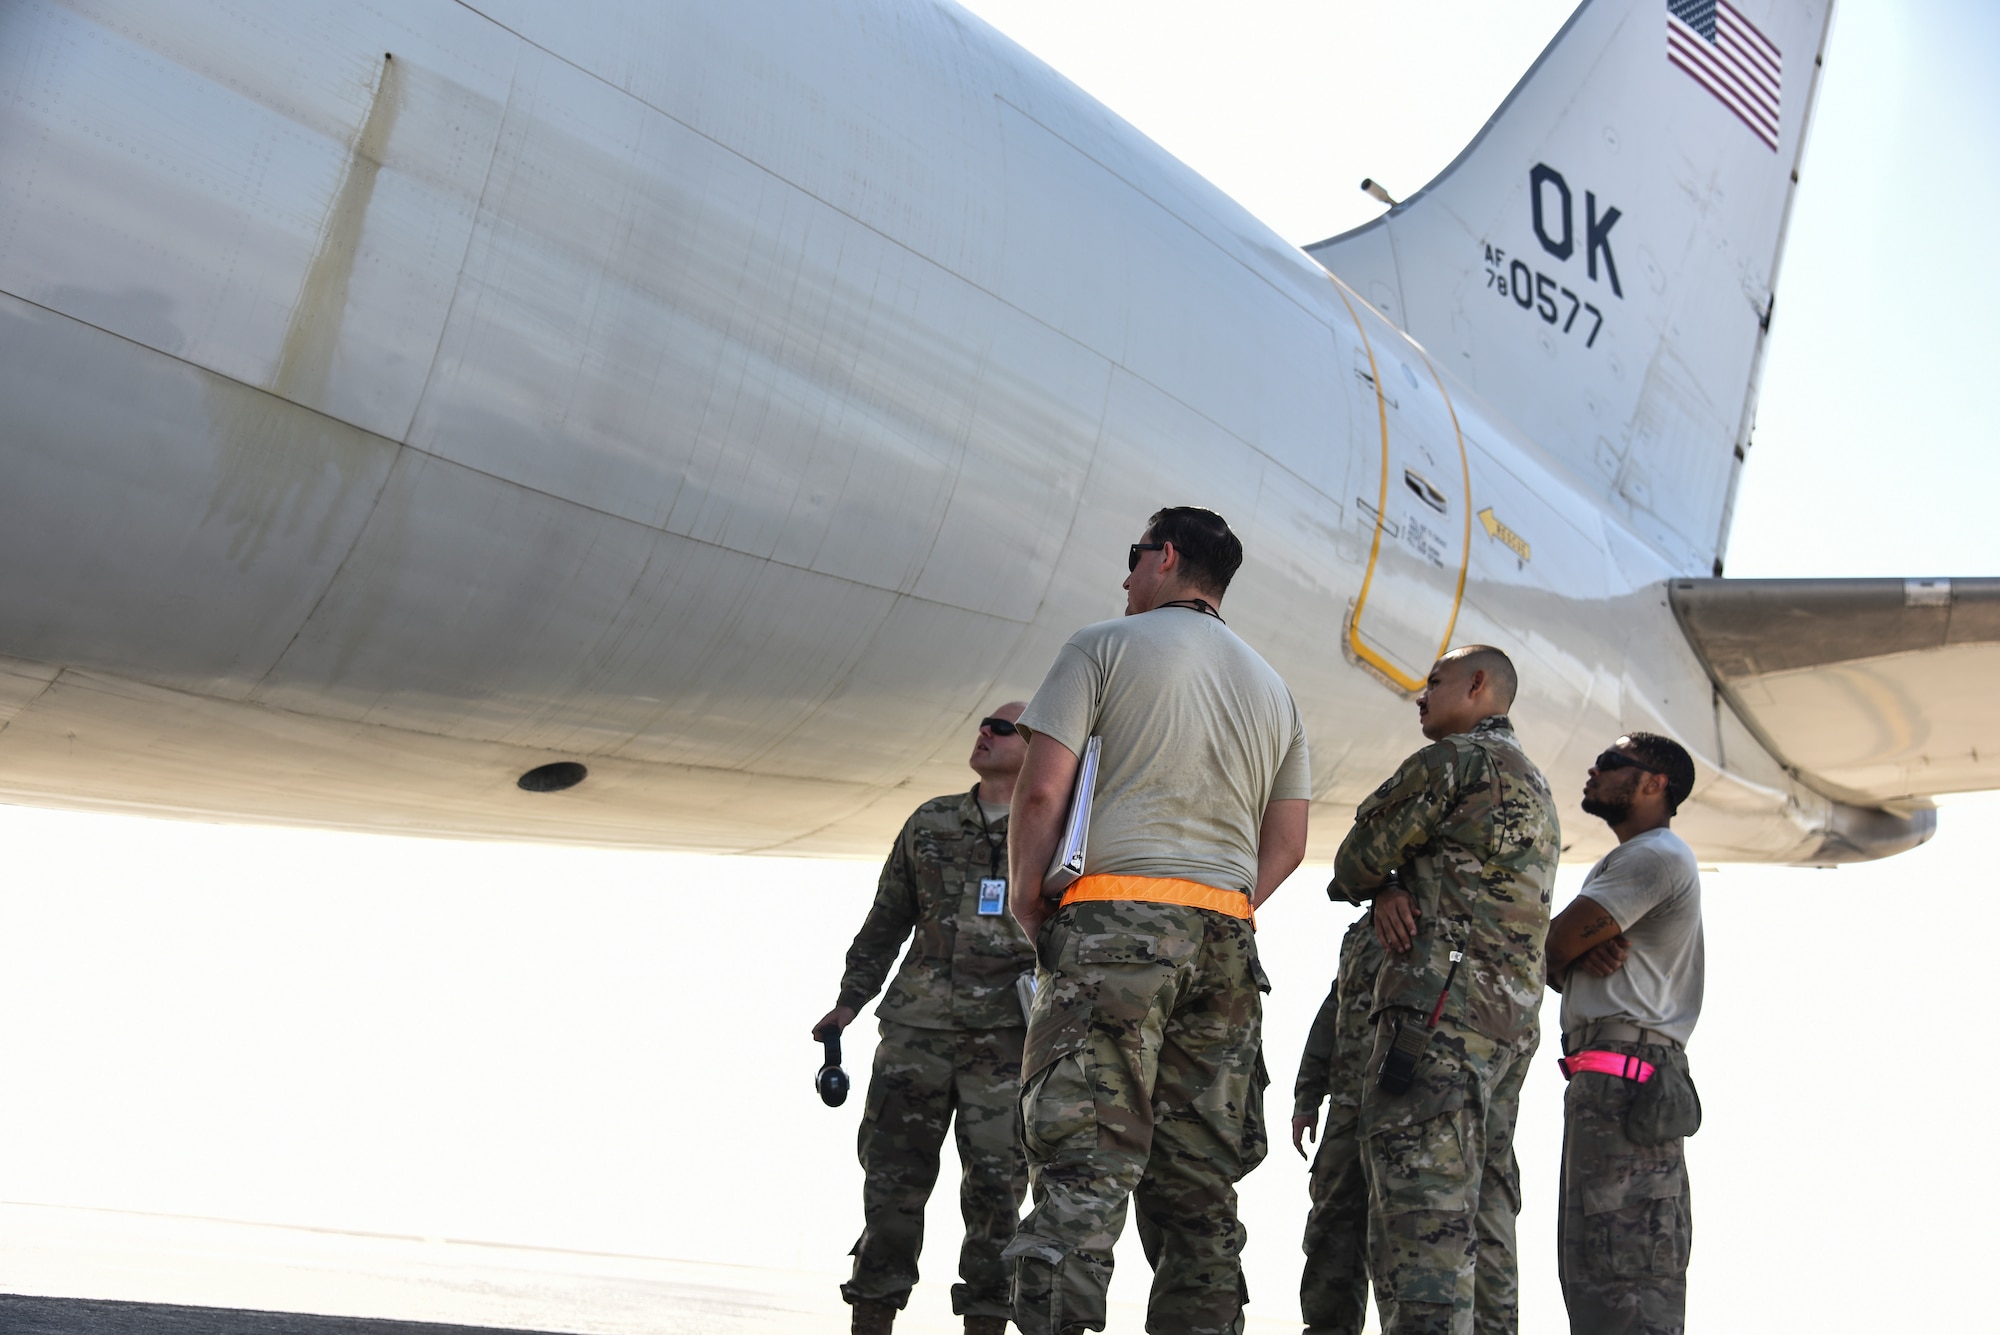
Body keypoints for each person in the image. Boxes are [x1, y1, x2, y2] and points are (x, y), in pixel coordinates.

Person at [1003, 506, 1312, 1335]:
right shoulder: (1273, 688)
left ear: (1166, 556)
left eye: (1134, 555)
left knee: (1082, 1171)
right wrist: (1216, 903)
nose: (1126, 574)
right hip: (1225, 937)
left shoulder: (1101, 644)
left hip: (1113, 924)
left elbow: (1039, 791)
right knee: (1199, 1193)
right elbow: (1287, 842)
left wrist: (1030, 897)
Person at [1330, 646, 1559, 1335]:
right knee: (1483, 1215)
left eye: (1434, 682)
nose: (1420, 695)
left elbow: (1354, 860)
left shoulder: (1453, 762)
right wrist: (1396, 888)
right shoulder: (1535, 783)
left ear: (1479, 685)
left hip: (1436, 1023)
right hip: (1506, 1030)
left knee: (1422, 1221)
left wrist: (1384, 883)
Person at [814, 704, 1038, 1335]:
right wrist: (850, 1001)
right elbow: (886, 919)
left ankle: (988, 1323)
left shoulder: (1061, 826)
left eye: (1002, 727)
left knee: (997, 1195)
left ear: (1038, 744)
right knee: (890, 1188)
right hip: (917, 1034)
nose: (985, 733)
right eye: (984, 724)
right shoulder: (931, 821)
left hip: (1007, 1042)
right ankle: (872, 1319)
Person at [1545, 733, 1704, 1335]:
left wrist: (1567, 951)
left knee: (1629, 1283)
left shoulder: (1654, 856)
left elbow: (1552, 944)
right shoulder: (1628, 860)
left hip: (1629, 1085)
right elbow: (1553, 956)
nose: (1594, 770)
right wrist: (1570, 956)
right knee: (1595, 1280)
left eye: (1612, 763)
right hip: (1606, 1085)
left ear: (1653, 784)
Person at [1293, 908, 1386, 1335]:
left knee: (1408, 1240)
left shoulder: (1445, 912)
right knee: (1331, 1234)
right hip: (1348, 1111)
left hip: (1411, 1112)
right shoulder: (1363, 932)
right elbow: (1336, 1007)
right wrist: (1308, 1096)